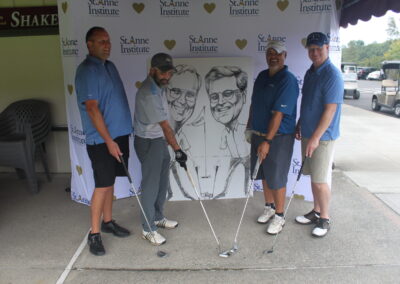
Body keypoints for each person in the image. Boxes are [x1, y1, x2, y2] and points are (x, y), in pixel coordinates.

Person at [75, 26, 133, 256]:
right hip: (101, 140)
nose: (107, 45)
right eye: (101, 42)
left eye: (108, 41)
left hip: (118, 135)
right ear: (89, 45)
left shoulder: (110, 66)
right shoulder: (87, 70)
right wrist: (108, 141)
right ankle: (95, 233)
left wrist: (116, 137)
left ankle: (108, 221)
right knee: (102, 185)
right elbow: (92, 108)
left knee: (110, 183)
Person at [246, 40, 299, 235]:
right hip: (258, 134)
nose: (273, 57)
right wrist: (249, 127)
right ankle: (268, 206)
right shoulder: (261, 76)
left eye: (277, 53)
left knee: (277, 177)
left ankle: (279, 215)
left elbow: (279, 114)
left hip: (278, 137)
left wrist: (267, 141)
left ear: (285, 55)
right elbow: (254, 104)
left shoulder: (288, 80)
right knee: (265, 174)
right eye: (269, 53)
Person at [134, 52, 188, 245]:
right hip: (148, 142)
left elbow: (164, 126)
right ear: (152, 70)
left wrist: (170, 145)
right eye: (163, 72)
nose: (167, 76)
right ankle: (148, 229)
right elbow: (165, 125)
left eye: (169, 73)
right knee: (150, 186)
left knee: (162, 182)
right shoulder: (148, 92)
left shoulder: (160, 87)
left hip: (158, 140)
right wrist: (178, 149)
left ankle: (157, 216)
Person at [295, 32, 344, 237]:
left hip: (322, 137)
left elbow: (330, 110)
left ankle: (325, 218)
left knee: (320, 180)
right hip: (307, 132)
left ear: (327, 48)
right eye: (311, 49)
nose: (314, 53)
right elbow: (307, 102)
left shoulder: (332, 74)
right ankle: (316, 212)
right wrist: (300, 123)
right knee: (313, 177)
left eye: (318, 48)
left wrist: (315, 137)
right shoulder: (310, 72)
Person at [204, 66, 250, 199]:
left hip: (246, 157)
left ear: (244, 96)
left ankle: (246, 192)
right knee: (227, 174)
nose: (220, 102)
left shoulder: (244, 128)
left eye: (228, 93)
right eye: (214, 96)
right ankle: (223, 191)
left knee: (247, 175)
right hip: (234, 157)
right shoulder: (225, 133)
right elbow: (221, 152)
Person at [166, 64, 201, 200]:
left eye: (190, 94)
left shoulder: (181, 134)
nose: (182, 100)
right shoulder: (157, 133)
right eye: (175, 91)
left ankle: (179, 192)